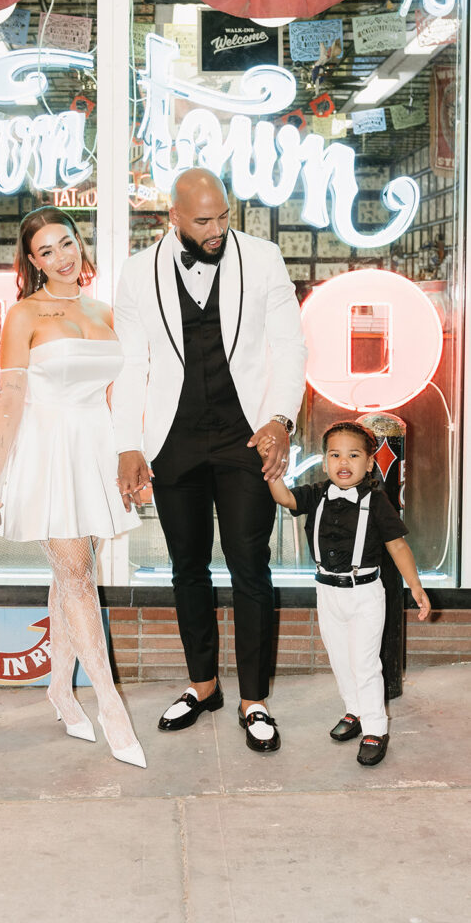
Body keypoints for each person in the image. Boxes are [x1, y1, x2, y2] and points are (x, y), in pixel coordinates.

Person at [113, 168, 307, 752]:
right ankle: (203, 686)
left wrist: (281, 418)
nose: (218, 229)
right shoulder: (137, 271)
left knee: (251, 565)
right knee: (186, 566)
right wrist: (127, 443)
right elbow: (131, 363)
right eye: (203, 220)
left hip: (246, 433)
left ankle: (254, 699)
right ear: (172, 217)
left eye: (224, 216)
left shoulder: (264, 257)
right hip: (171, 437)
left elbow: (288, 345)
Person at [0, 206, 145, 769]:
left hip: (93, 450)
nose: (61, 258)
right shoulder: (24, 315)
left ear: (79, 242)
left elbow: (124, 395)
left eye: (66, 243)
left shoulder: (104, 311)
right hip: (45, 451)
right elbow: (10, 401)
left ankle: (59, 688)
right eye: (46, 251)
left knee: (73, 573)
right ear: (31, 261)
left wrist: (130, 455)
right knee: (76, 572)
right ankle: (111, 707)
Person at [262, 420, 431, 766]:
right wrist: (271, 467)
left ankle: (375, 728)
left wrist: (415, 586)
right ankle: (353, 710)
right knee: (340, 659)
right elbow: (283, 497)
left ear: (369, 463)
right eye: (335, 454)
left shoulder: (378, 501)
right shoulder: (316, 493)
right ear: (324, 461)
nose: (343, 462)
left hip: (365, 593)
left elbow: (397, 546)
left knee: (365, 662)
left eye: (353, 455)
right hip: (327, 593)